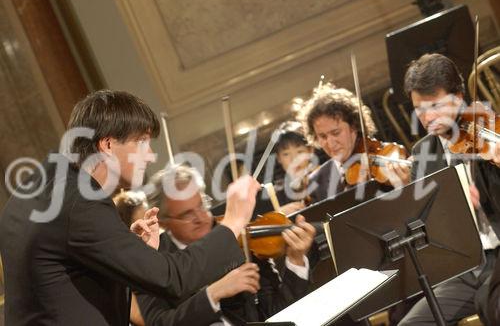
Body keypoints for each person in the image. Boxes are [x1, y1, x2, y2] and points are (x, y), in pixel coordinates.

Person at [0, 90, 261, 325]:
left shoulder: (42, 181)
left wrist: (129, 251)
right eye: (142, 141)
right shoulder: (80, 203)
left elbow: (65, 274)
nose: (150, 155)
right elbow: (173, 279)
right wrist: (233, 221)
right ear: (108, 144)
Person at [135, 164, 316, 325]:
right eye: (186, 214)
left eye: (202, 205)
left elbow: (276, 312)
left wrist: (296, 259)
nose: (200, 218)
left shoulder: (237, 238)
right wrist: (213, 293)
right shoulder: (154, 262)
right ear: (164, 222)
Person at [397, 53, 500, 326]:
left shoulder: (490, 130)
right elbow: (424, 225)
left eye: (436, 105)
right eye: (420, 109)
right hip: (467, 268)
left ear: (459, 95)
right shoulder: (423, 153)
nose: (428, 117)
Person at [297, 83, 411, 203]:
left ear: (354, 126)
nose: (330, 143)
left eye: (336, 133)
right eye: (322, 136)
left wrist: (408, 186)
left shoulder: (387, 156)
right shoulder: (316, 181)